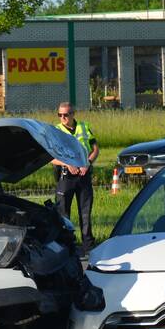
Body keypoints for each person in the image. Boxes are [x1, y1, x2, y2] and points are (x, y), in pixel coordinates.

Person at [51, 102, 99, 253]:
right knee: (63, 213)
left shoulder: (83, 127)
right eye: (60, 115)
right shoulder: (56, 130)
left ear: (73, 114)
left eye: (66, 115)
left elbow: (95, 149)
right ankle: (67, 244)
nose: (63, 118)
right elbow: (50, 157)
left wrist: (88, 163)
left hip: (83, 175)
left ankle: (88, 244)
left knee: (85, 212)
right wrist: (66, 164)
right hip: (66, 177)